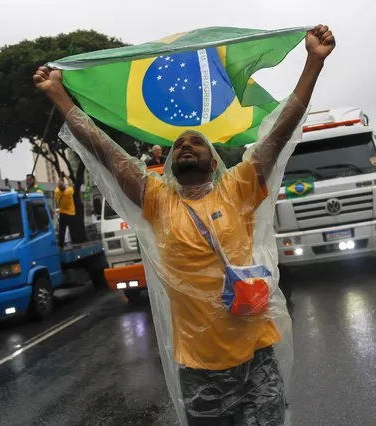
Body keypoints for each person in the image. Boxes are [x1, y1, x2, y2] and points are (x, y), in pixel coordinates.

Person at [34, 24, 335, 425]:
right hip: (198, 366)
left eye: (196, 142)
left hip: (257, 353)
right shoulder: (157, 200)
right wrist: (59, 94)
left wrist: (313, 61)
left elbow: (279, 133)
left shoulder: (239, 188)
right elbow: (105, 150)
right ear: (172, 163)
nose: (186, 145)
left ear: (214, 161)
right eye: (179, 145)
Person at [54, 174, 78, 248]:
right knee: (73, 230)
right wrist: (66, 177)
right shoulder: (68, 192)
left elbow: (59, 185)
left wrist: (60, 177)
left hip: (62, 214)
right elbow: (71, 184)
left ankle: (60, 245)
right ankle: (74, 243)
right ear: (64, 187)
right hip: (71, 214)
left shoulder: (57, 192)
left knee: (62, 231)